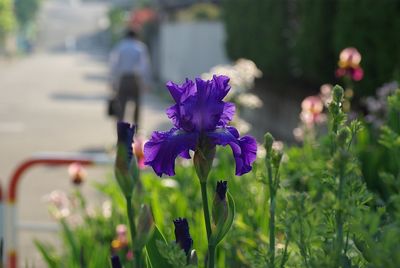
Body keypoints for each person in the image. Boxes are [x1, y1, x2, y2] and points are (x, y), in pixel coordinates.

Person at [109, 28, 151, 126]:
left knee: (121, 106)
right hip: (136, 79)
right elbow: (145, 67)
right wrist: (147, 83)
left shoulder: (120, 47)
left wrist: (113, 81)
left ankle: (121, 133)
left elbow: (114, 65)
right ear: (136, 36)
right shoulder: (140, 47)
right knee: (137, 106)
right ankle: (136, 130)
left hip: (123, 79)